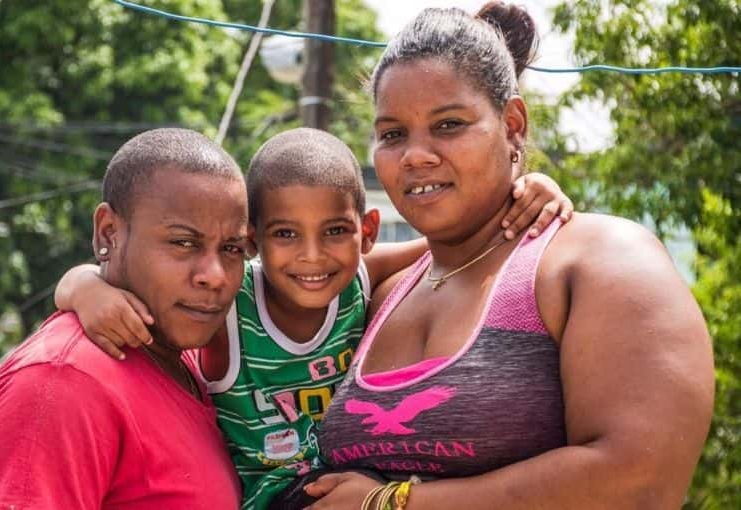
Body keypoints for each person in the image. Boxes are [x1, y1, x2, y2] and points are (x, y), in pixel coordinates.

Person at [303, 4, 714, 509]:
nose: (415, 155)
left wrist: (392, 503)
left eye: (448, 125)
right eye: (392, 134)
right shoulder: (382, 292)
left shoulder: (596, 263)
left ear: (512, 124)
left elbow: (638, 481)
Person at [54, 127, 573, 509]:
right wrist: (83, 287)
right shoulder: (230, 303)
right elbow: (113, 282)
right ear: (253, 240)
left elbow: (461, 243)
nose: (312, 257)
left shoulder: (357, 281)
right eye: (286, 235)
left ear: (366, 232)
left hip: (361, 483)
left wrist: (527, 192)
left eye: (333, 232)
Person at [0, 128, 248, 509]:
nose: (215, 275)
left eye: (233, 248)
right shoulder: (61, 380)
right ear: (109, 231)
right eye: (183, 243)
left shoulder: (189, 357)